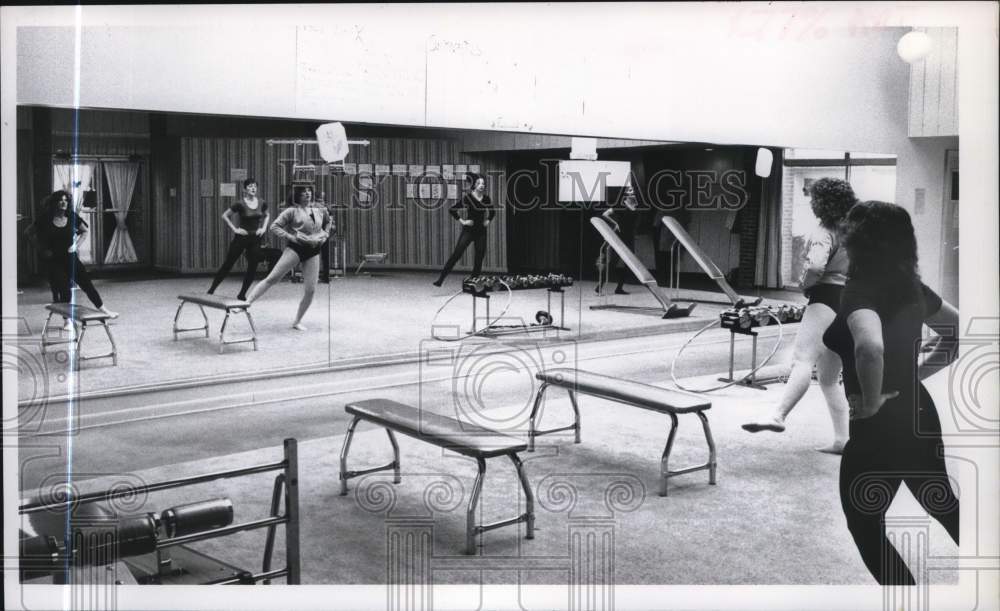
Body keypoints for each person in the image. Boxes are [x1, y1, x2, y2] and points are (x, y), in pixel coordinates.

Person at [823, 200, 959, 585]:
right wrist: (913, 375)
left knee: (864, 524)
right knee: (944, 505)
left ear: (858, 238)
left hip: (879, 425)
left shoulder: (859, 290)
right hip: (918, 414)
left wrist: (871, 401)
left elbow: (871, 348)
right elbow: (956, 332)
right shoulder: (911, 287)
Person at [742, 177, 854, 454]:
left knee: (802, 360)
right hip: (849, 301)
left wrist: (805, 285)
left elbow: (815, 266)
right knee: (829, 378)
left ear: (821, 203)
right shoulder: (856, 230)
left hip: (825, 298)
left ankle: (777, 415)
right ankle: (842, 440)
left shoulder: (824, 230)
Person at [244, 185, 331, 330]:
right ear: (297, 195)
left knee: (310, 290)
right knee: (272, 278)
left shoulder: (320, 209)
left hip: (313, 251)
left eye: (309, 191)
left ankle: (297, 321)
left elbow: (328, 222)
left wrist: (325, 235)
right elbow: (274, 226)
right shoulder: (291, 211)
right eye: (303, 192)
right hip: (296, 249)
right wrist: (291, 237)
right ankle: (247, 303)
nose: (307, 193)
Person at [26, 190, 118, 320]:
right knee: (65, 290)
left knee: (87, 285)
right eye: (60, 200)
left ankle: (104, 310)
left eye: (66, 200)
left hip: (70, 258)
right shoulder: (45, 218)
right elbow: (28, 233)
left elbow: (84, 231)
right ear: (54, 202)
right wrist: (41, 249)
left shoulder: (71, 216)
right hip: (54, 261)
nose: (63, 202)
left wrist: (76, 245)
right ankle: (67, 321)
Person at [207, 179, 270, 301]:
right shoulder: (240, 203)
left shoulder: (262, 202)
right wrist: (235, 229)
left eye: (255, 186)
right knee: (228, 264)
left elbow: (267, 215)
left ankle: (242, 294)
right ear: (244, 190)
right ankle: (211, 290)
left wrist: (263, 228)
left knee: (253, 266)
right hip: (241, 238)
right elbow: (225, 215)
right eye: (250, 186)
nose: (253, 188)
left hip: (255, 238)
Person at [433, 173, 495, 287]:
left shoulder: (486, 198)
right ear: (474, 185)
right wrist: (463, 221)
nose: (482, 185)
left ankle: (474, 281)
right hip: (469, 230)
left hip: (481, 231)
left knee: (479, 256)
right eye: (479, 183)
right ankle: (440, 280)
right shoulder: (468, 198)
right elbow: (452, 210)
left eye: (483, 183)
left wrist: (488, 220)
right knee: (457, 254)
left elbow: (492, 212)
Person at [598, 181, 640, 295]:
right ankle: (599, 286)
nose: (632, 193)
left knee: (629, 264)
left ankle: (619, 288)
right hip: (620, 238)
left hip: (629, 238)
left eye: (633, 192)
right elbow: (605, 214)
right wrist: (615, 223)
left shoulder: (635, 207)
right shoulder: (621, 206)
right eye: (630, 192)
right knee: (612, 263)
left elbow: (633, 223)